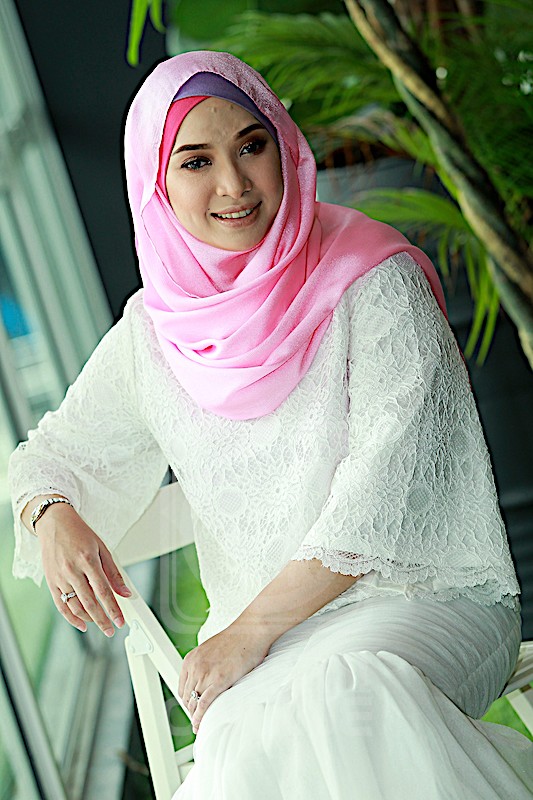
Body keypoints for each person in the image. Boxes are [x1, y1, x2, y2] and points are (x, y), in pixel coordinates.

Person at [8, 50, 533, 799]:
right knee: (272, 734)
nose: (234, 184)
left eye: (251, 146)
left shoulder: (374, 279)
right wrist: (50, 512)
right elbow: (48, 456)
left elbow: (377, 503)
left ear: (284, 146)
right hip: (261, 642)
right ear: (154, 184)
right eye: (196, 161)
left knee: (341, 697)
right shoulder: (151, 334)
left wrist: (248, 635)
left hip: (422, 598)